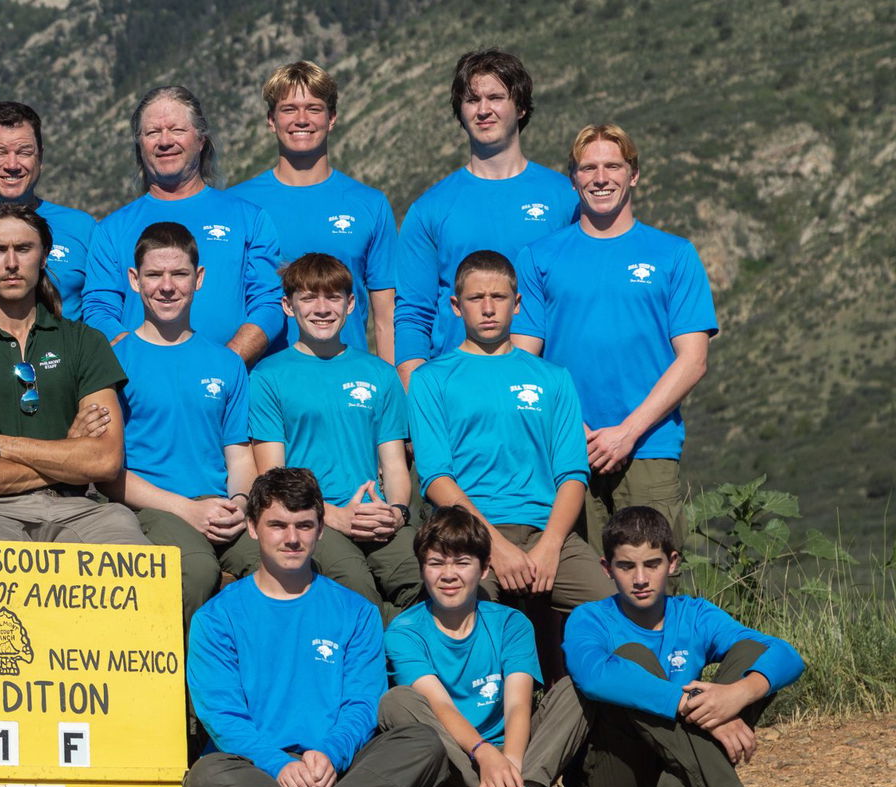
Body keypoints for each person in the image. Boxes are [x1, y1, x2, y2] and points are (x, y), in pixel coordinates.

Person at [184, 468, 453, 787]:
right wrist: (278, 765)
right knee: (206, 782)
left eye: (304, 525)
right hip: (258, 769)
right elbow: (222, 716)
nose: (291, 538)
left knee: (423, 744)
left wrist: (331, 753)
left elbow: (363, 703)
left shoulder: (357, 611)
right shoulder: (217, 618)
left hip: (337, 765)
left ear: (321, 529)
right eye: (277, 525)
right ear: (253, 528)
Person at [514, 124, 716, 552]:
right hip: (565, 450)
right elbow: (524, 359)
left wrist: (627, 432)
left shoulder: (674, 255)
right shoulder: (539, 257)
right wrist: (577, 431)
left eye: (613, 166)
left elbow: (694, 359)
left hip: (648, 447)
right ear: (573, 178)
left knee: (649, 586)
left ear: (634, 174)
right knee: (571, 590)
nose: (600, 178)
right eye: (588, 168)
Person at [407, 250, 604, 677]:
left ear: (518, 303)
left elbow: (573, 474)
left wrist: (550, 547)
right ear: (456, 306)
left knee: (617, 614)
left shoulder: (552, 378)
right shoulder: (431, 379)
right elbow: (437, 478)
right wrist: (496, 547)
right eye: (476, 298)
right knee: (470, 626)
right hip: (471, 534)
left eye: (499, 296)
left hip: (547, 532)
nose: (489, 307)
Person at [563, 506, 802, 787]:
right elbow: (593, 676)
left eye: (652, 564)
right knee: (633, 659)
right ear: (607, 569)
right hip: (616, 782)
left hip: (681, 772)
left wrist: (737, 694)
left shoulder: (694, 614)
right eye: (626, 566)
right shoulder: (590, 618)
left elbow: (787, 655)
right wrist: (689, 704)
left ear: (672, 562)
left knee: (752, 652)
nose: (640, 579)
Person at [0, 206, 147, 545]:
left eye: (24, 248)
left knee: (135, 565)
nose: (12, 262)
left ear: (44, 257)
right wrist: (69, 455)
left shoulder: (85, 342)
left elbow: (104, 462)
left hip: (81, 508)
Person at [379, 507, 587, 787]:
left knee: (577, 689)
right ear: (421, 569)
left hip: (514, 754)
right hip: (456, 760)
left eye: (461, 562)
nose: (448, 575)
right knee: (396, 701)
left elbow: (519, 704)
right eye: (435, 563)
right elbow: (440, 706)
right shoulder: (405, 632)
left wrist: (511, 765)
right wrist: (483, 753)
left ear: (484, 568)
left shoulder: (510, 623)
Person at [249, 253, 420, 616]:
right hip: (313, 521)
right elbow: (272, 478)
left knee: (423, 575)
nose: (322, 308)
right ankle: (381, 666)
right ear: (288, 306)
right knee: (356, 590)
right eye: (309, 298)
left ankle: (419, 667)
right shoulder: (268, 377)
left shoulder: (379, 374)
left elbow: (394, 467)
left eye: (333, 297)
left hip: (376, 518)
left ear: (351, 304)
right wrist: (331, 516)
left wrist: (397, 513)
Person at [394, 50, 576, 384]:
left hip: (545, 396)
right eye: (471, 100)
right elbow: (412, 316)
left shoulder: (566, 198)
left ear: (520, 107)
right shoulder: (429, 209)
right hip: (456, 397)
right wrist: (418, 400)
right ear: (460, 113)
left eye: (495, 97)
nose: (483, 110)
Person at [107, 221, 257, 626]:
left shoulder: (226, 363)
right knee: (196, 571)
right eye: (154, 275)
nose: (167, 286)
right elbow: (107, 471)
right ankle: (180, 688)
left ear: (199, 278)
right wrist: (186, 510)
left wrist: (240, 506)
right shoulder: (114, 362)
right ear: (135, 280)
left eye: (180, 274)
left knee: (283, 560)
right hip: (152, 508)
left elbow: (240, 456)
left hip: (221, 509)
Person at [82, 85, 284, 365]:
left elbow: (268, 304)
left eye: (177, 130)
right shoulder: (111, 230)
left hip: (230, 390)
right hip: (140, 392)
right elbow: (99, 310)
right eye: (152, 133)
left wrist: (225, 365)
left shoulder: (249, 219)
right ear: (140, 145)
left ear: (201, 139)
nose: (165, 141)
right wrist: (142, 366)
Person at [225, 61, 397, 360]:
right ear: (271, 119)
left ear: (332, 118)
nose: (301, 119)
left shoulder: (370, 204)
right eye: (289, 109)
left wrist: (392, 392)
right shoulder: (235, 205)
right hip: (264, 388)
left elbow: (386, 318)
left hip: (349, 382)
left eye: (314, 109)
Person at [0, 101, 95, 319]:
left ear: (40, 157)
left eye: (24, 152)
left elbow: (100, 308)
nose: (12, 164)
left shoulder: (83, 228)